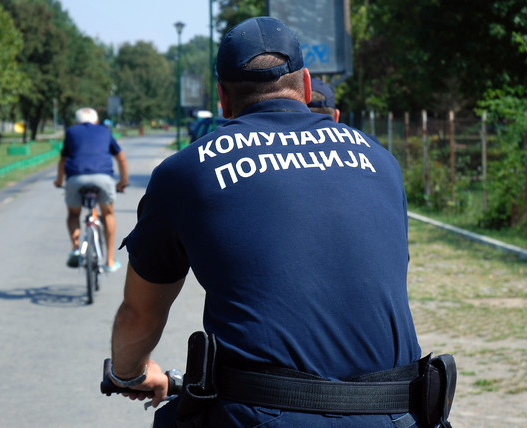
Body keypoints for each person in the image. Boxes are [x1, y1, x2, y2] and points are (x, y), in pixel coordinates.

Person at [108, 17, 452, 427]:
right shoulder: (380, 161)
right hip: (397, 414)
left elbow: (141, 312)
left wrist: (128, 372)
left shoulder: (187, 172)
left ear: (222, 98)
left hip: (262, 415)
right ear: (306, 86)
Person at [54, 107, 128, 272]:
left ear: (77, 121)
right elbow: (121, 159)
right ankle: (109, 260)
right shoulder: (104, 131)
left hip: (76, 178)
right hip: (103, 178)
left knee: (74, 214)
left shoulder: (72, 132)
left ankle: (75, 247)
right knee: (108, 213)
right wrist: (123, 182)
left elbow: (62, 161)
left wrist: (59, 181)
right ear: (96, 121)